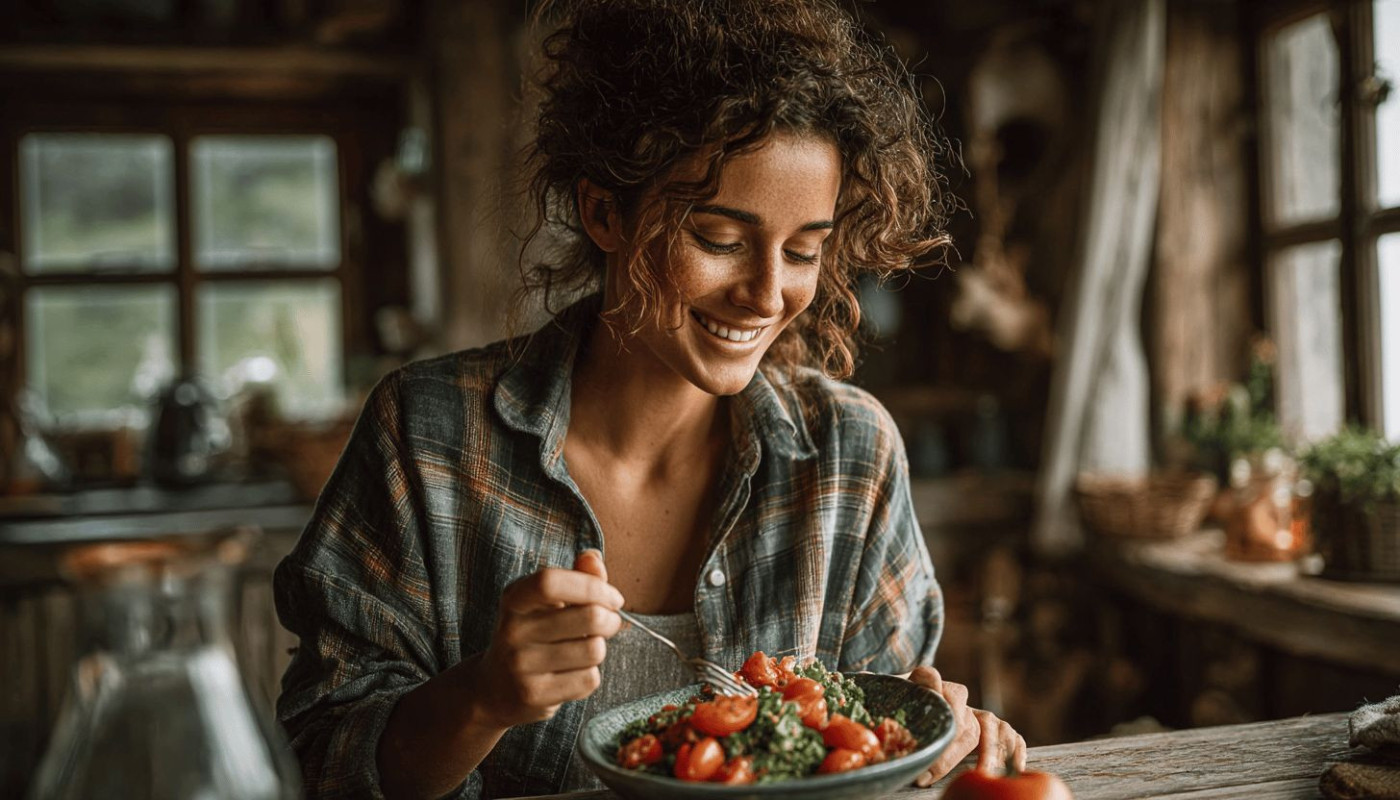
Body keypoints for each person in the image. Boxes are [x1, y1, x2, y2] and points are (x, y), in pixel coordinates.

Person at [273, 1, 1027, 797]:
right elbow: (322, 763)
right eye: (721, 241)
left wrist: (943, 734)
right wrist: (482, 696)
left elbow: (884, 741)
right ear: (605, 212)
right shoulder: (424, 440)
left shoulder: (850, 455)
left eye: (805, 249)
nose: (767, 294)